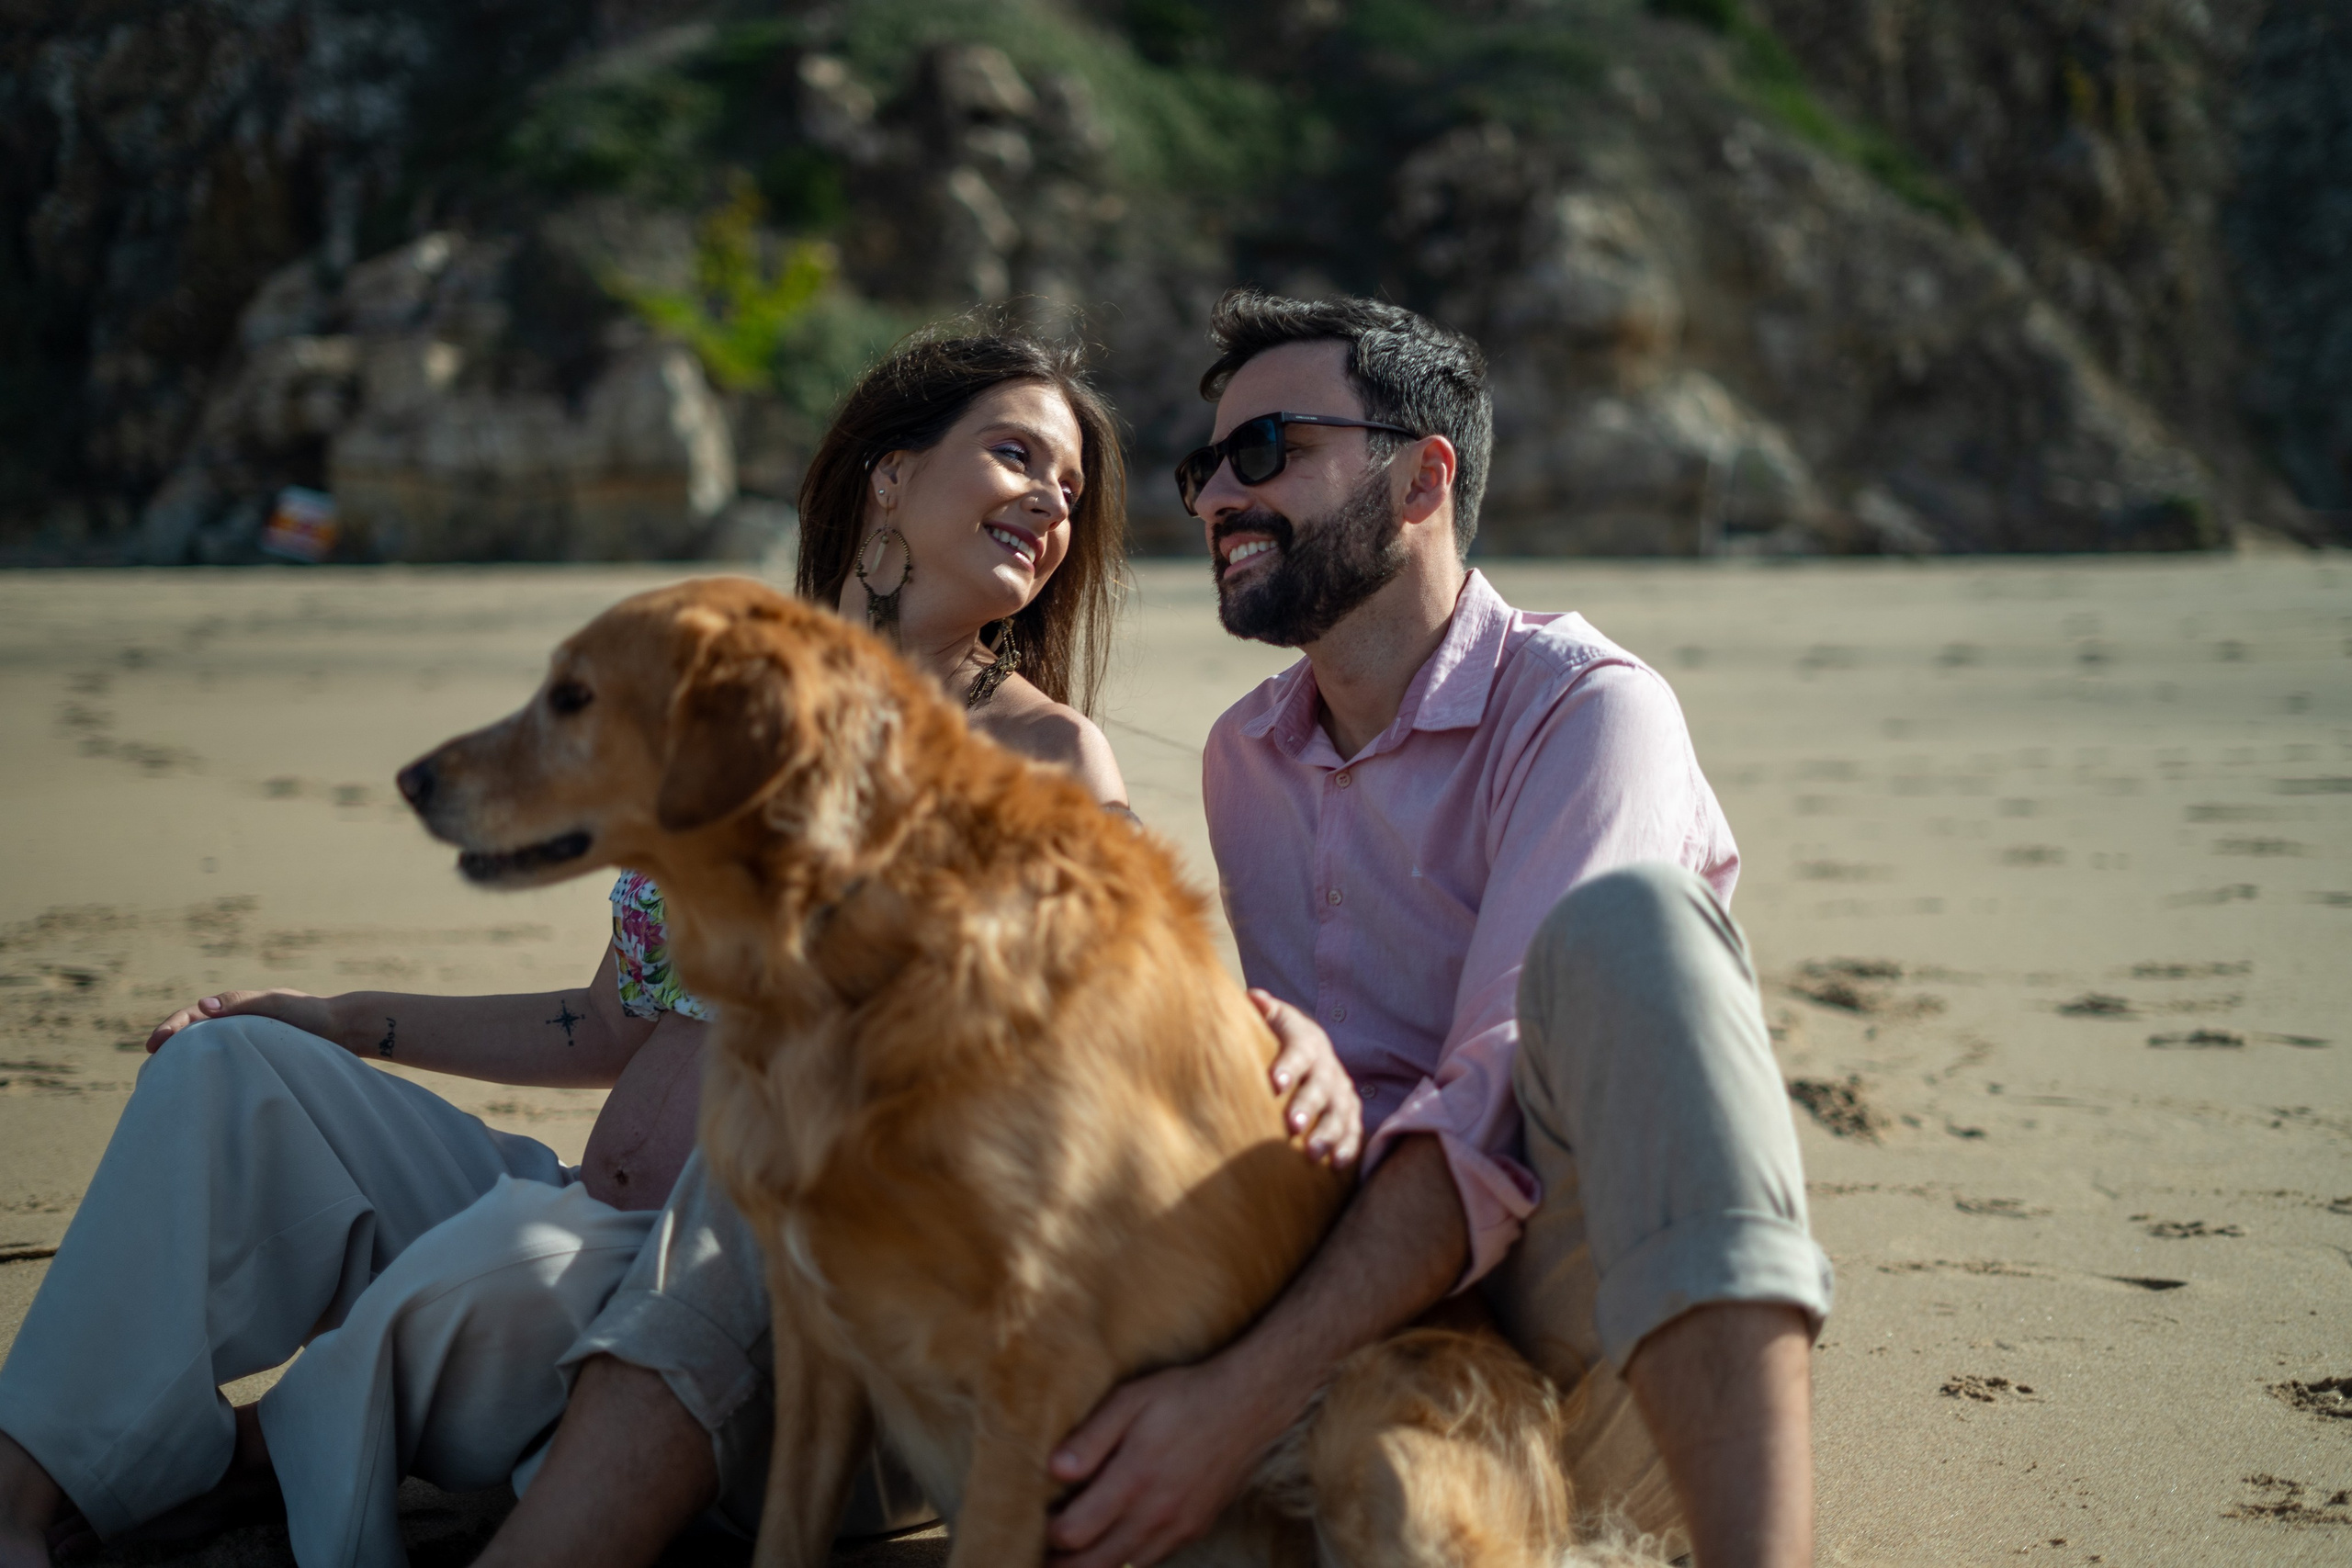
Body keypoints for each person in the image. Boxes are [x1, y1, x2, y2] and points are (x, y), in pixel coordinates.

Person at [0, 326, 1347, 1568]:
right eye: (1017, 456)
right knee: (230, 1073)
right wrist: (343, 1016)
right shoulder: (721, 707)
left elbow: (1121, 1007)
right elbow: (612, 1023)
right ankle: (29, 1491)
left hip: (742, 1295)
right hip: (579, 1217)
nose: (1052, 506)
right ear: (890, 479)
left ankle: (249, 1458)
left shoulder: (1046, 752)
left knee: (520, 1252)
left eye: (1070, 491)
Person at [1034, 291, 1832, 1568]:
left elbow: (1488, 1109)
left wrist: (1228, 1409)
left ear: (1421, 479)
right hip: (1375, 1364)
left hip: (1597, 1355)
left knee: (1640, 932)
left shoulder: (1588, 709)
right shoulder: (1250, 757)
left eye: (1266, 452)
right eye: (1203, 470)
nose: (1217, 502)